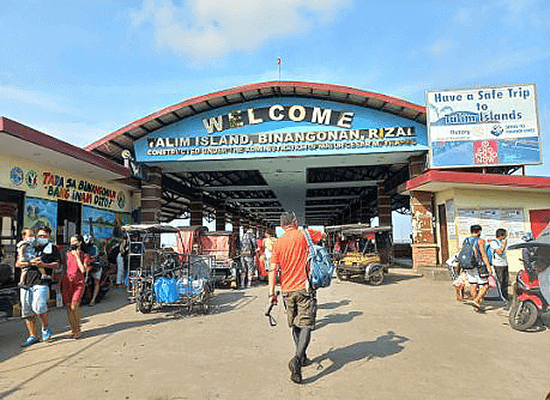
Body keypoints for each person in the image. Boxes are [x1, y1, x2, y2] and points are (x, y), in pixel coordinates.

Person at [268, 211, 323, 384]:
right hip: (304, 288)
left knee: (295, 325)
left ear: (281, 226)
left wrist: (271, 293)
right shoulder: (304, 235)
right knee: (306, 325)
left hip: (287, 291)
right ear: (294, 222)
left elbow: (273, 269)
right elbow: (322, 236)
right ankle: (297, 360)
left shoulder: (278, 243)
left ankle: (303, 357)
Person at [16, 226, 60, 347]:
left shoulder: (52, 248)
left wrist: (44, 264)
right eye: (39, 236)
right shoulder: (29, 246)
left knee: (39, 307)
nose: (41, 238)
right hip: (26, 282)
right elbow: (18, 263)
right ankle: (33, 335)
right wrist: (30, 262)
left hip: (41, 282)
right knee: (26, 310)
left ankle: (45, 328)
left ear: (49, 236)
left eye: (44, 236)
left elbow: (56, 265)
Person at [62, 235, 90, 339]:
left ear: (80, 242)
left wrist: (77, 256)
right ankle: (73, 330)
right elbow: (64, 269)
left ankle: (78, 329)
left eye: (74, 241)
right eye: (71, 242)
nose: (72, 243)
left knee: (74, 306)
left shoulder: (85, 255)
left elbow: (83, 270)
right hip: (67, 282)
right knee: (69, 307)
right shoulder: (67, 254)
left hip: (78, 283)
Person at [463, 225, 492, 312]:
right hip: (478, 266)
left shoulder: (466, 240)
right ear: (479, 231)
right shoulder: (480, 241)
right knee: (486, 285)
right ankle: (476, 300)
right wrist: (488, 266)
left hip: (468, 266)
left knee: (473, 285)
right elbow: (483, 255)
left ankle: (476, 305)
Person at [490, 228, 509, 305]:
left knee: (505, 281)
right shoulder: (494, 243)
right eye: (505, 235)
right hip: (498, 264)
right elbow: (499, 252)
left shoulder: (501, 242)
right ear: (501, 235)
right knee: (500, 281)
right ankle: (500, 296)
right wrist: (504, 244)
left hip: (504, 263)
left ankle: (505, 295)